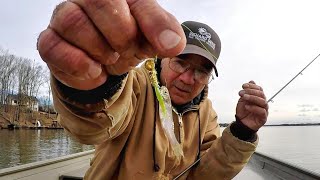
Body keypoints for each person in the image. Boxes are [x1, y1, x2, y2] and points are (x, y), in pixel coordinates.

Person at [37, 0, 268, 179]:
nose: (188, 79)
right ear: (162, 57)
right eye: (180, 62)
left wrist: (242, 132)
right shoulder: (134, 84)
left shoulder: (207, 113)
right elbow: (91, 128)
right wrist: (92, 87)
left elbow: (205, 176)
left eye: (202, 71)